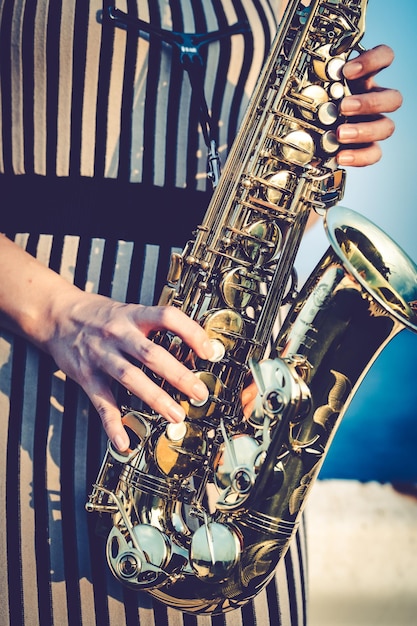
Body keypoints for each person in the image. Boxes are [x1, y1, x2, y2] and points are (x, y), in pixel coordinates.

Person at [0, 2, 402, 625]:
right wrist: (58, 312)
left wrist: (319, 145)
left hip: (227, 454)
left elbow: (261, 209)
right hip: (32, 392)